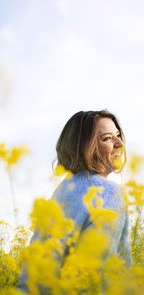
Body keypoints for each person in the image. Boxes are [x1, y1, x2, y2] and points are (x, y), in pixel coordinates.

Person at [18, 110, 132, 293]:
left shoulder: (60, 194)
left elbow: (31, 276)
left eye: (118, 135)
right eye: (107, 138)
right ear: (85, 147)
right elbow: (105, 277)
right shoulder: (110, 194)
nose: (119, 144)